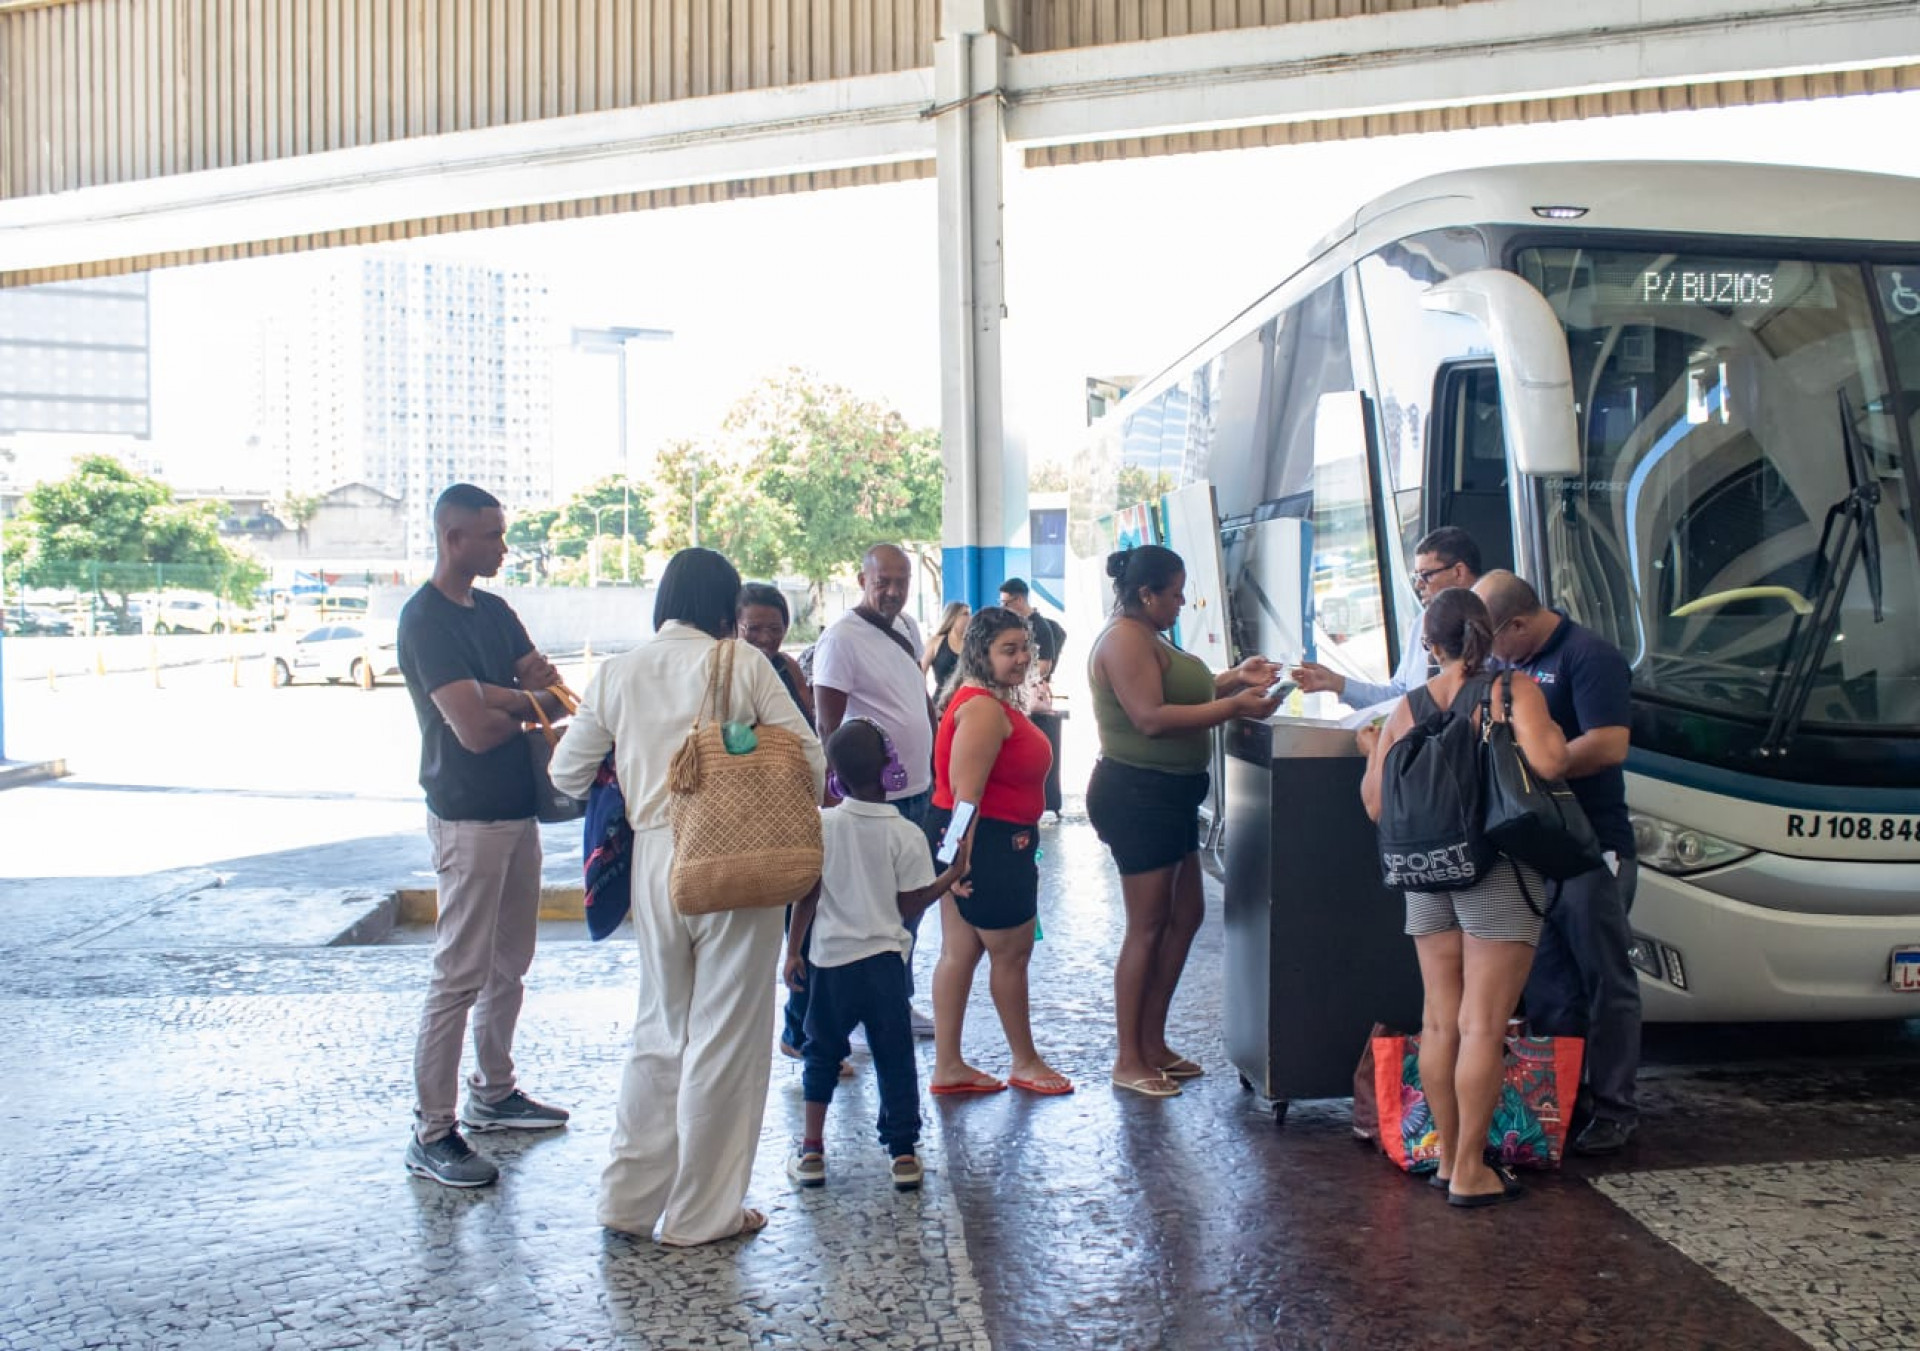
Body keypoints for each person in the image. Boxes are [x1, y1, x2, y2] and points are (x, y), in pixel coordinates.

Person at [549, 548, 826, 1246]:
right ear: (725, 606)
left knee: (660, 1027)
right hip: (736, 853)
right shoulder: (742, 664)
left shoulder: (618, 671)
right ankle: (704, 1215)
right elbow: (810, 761)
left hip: (653, 855)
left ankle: (628, 1199)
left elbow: (566, 771)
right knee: (727, 1034)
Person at [1360, 587, 1570, 1206]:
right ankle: (1472, 1170)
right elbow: (1552, 762)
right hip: (1495, 868)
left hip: (1425, 871)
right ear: (1488, 632)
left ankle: (1449, 1159)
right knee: (1483, 1021)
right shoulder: (1510, 691)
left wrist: (1374, 751)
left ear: (1430, 644)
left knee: (1438, 1018)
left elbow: (1375, 804)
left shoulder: (1408, 706)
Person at [396, 483, 573, 1190]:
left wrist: (499, 693)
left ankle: (493, 1090)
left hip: (517, 811)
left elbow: (554, 692)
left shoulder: (496, 610)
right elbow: (470, 731)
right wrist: (512, 699)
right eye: (493, 535)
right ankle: (433, 1129)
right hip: (466, 817)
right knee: (458, 975)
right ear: (453, 538)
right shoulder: (425, 620)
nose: (504, 547)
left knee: (510, 963)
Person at [1086, 545, 1281, 1097]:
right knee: (1147, 926)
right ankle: (1128, 1057)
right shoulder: (1124, 639)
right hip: (1138, 797)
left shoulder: (1148, 636)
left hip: (1170, 796)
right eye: (1174, 593)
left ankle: (1153, 1041)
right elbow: (1150, 717)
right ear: (1145, 594)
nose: (1180, 602)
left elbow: (1179, 692)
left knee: (1187, 914)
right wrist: (1236, 707)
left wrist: (1233, 680)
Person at [1475, 569, 1643, 1157]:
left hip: (1590, 850)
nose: (1488, 652)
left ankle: (1617, 1106)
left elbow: (1609, 743)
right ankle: (1563, 1102)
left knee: (1605, 983)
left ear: (1518, 624)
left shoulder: (1587, 657)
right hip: (1533, 852)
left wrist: (1536, 769)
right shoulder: (1506, 668)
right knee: (1550, 987)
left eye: (1492, 637)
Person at [782, 720, 973, 1193]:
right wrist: (953, 875)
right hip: (885, 964)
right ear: (890, 768)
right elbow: (909, 904)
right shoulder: (905, 833)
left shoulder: (822, 825)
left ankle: (811, 1151)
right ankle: (904, 1155)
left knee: (821, 1055)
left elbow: (805, 895)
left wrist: (792, 953)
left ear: (835, 775)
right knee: (894, 1058)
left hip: (829, 964)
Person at [924, 607, 1074, 1097]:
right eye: (1007, 650)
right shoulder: (984, 709)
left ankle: (949, 1066)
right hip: (987, 843)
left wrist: (951, 862)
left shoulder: (987, 701)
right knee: (1010, 955)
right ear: (980, 654)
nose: (1020, 658)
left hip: (978, 840)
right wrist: (956, 865)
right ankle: (1024, 1060)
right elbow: (965, 798)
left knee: (961, 953)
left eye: (1024, 648)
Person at [811, 543, 939, 1035]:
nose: (892, 591)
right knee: (879, 911)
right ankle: (871, 1011)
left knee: (910, 905)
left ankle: (895, 1000)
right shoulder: (841, 639)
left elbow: (917, 696)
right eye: (881, 581)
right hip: (873, 800)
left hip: (919, 789)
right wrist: (843, 796)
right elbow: (829, 726)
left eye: (900, 581)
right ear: (862, 580)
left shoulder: (906, 627)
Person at [1292, 526, 1483, 709]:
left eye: (1426, 576)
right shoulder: (1422, 623)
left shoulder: (1490, 622)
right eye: (1415, 577)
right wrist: (1337, 683)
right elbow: (1398, 696)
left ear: (1458, 572)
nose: (1418, 586)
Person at [999, 578, 1068, 819]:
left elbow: (1045, 666)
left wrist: (1017, 674)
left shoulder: (1039, 627)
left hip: (1029, 700)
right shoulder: (1016, 625)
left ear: (1019, 599)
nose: (1003, 608)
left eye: (1006, 603)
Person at [739, 583, 814, 729]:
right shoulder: (725, 673)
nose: (765, 638)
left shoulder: (788, 667)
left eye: (775, 629)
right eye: (754, 629)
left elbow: (807, 727)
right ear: (733, 626)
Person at [922, 600, 970, 697]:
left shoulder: (973, 644)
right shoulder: (935, 642)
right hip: (941, 703)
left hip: (967, 701)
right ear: (953, 617)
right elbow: (920, 674)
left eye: (969, 614)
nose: (970, 618)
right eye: (965, 614)